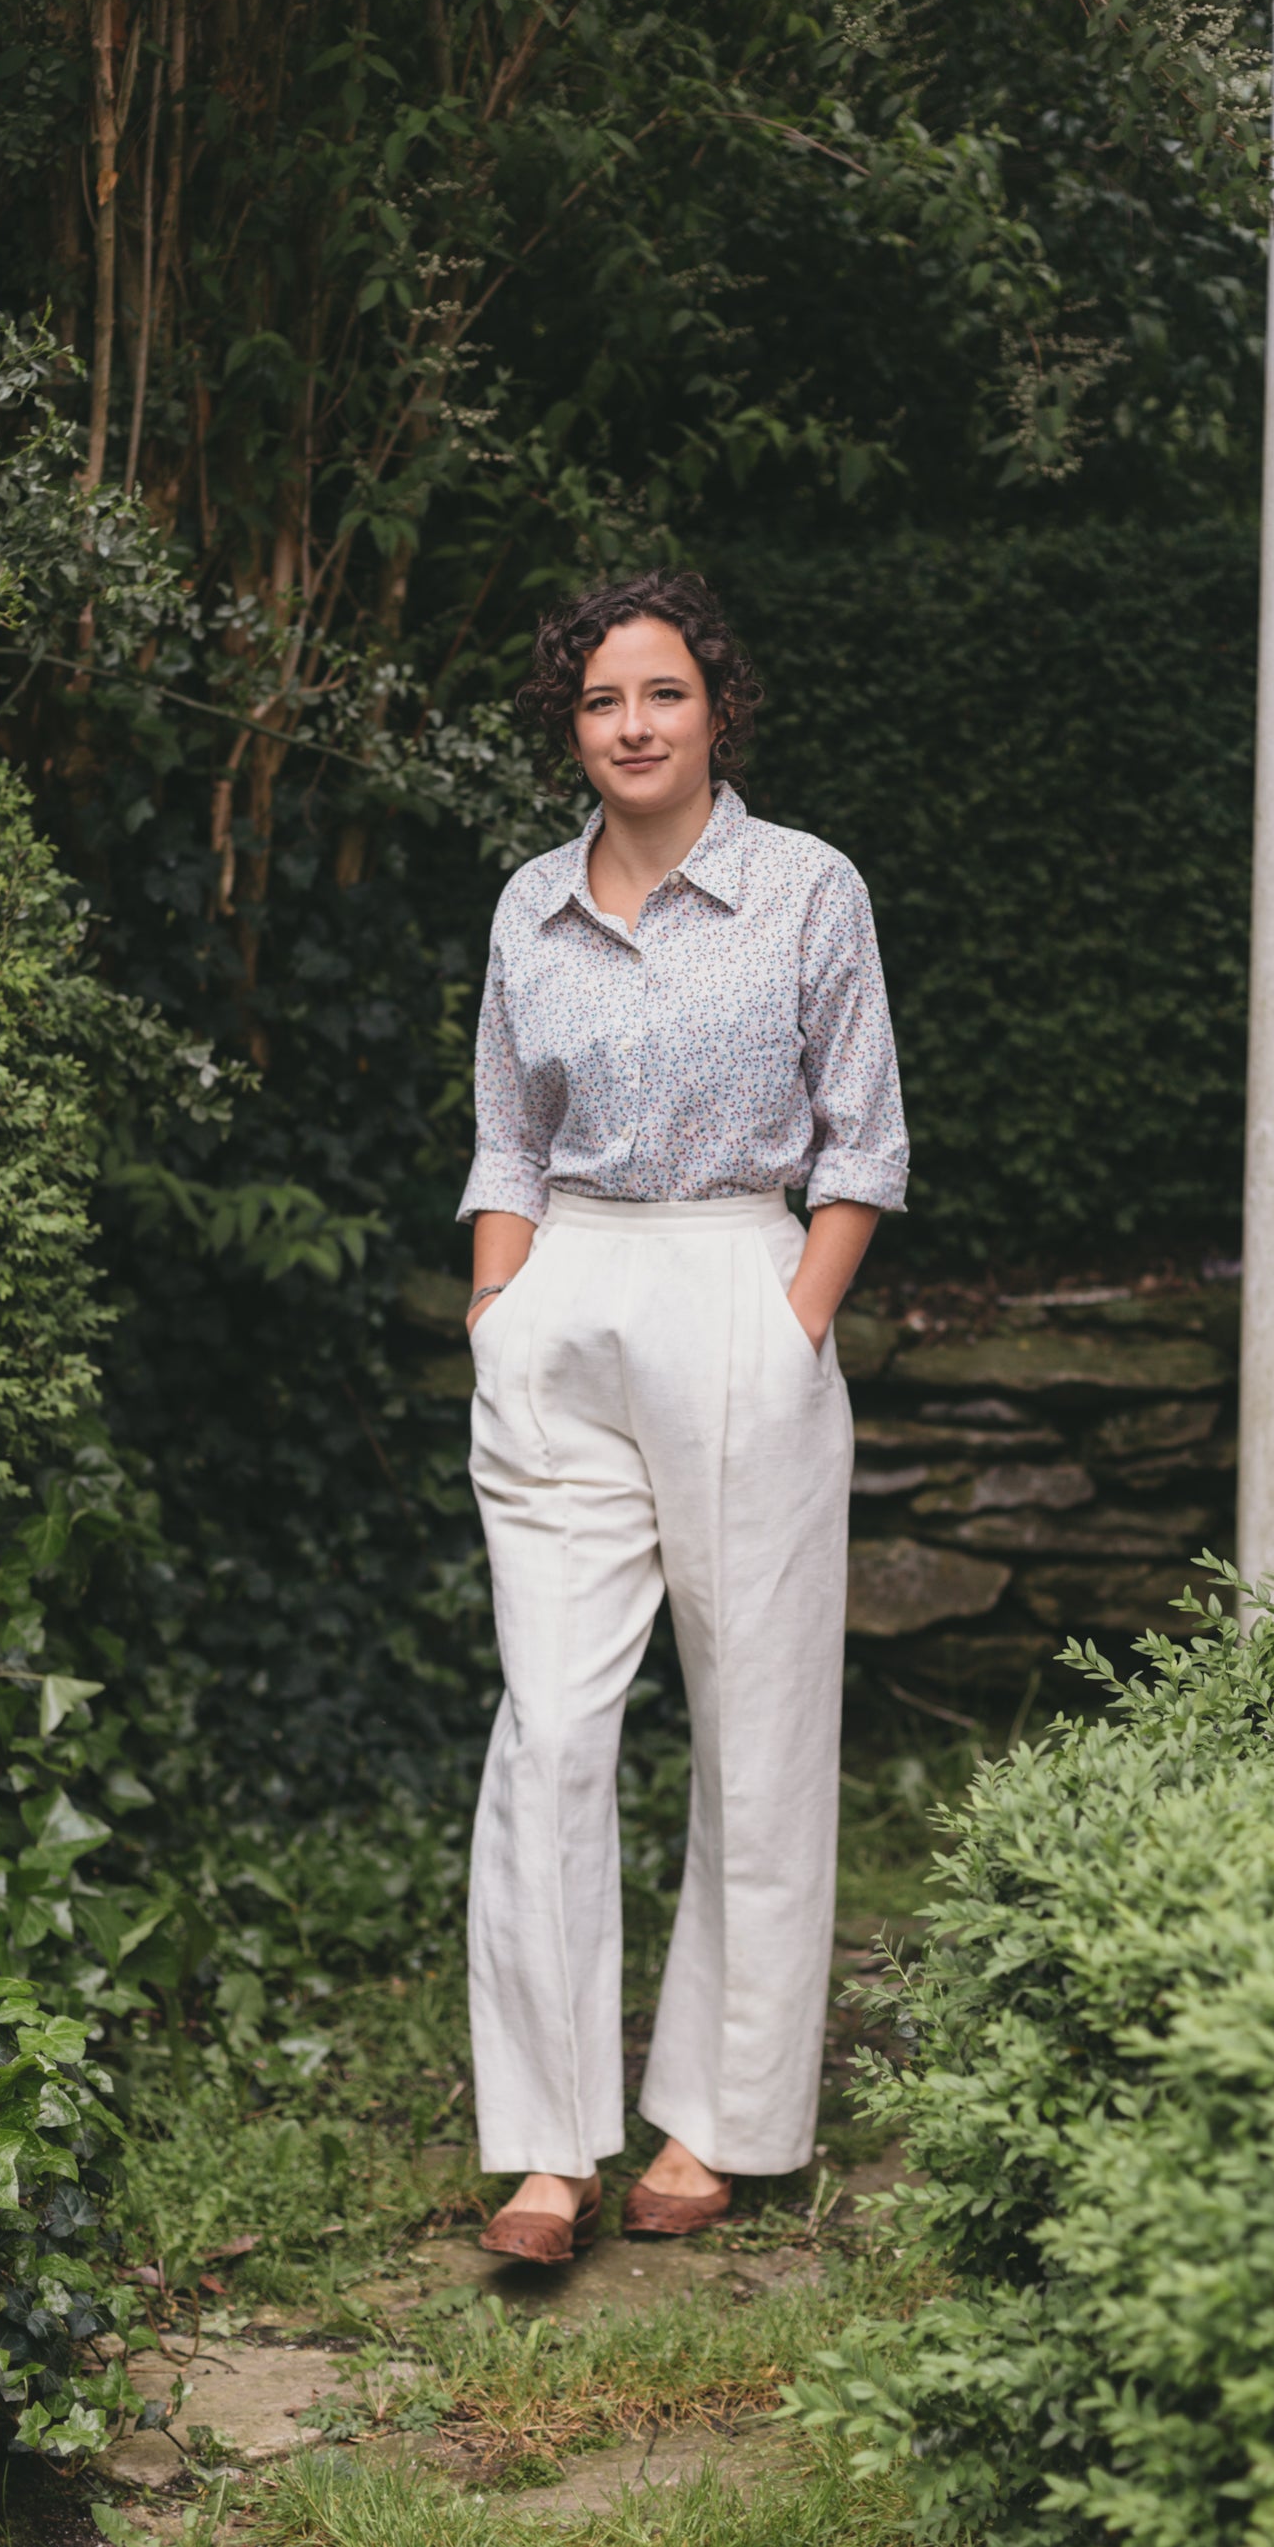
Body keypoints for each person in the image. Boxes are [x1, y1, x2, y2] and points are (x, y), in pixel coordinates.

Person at [456, 567, 909, 2263]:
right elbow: (505, 1134)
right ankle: (548, 2149)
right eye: (599, 700)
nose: (631, 726)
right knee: (553, 1729)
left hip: (742, 1287)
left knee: (759, 1722)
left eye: (661, 693)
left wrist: (797, 1323)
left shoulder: (806, 889)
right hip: (566, 1299)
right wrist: (500, 1314)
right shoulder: (527, 905)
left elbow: (861, 1141)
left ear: (718, 706)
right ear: (568, 726)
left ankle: (715, 2120)